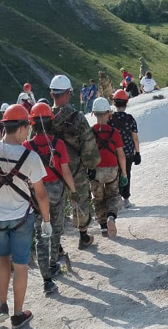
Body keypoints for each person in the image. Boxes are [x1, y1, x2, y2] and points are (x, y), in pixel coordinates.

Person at [0, 104, 50, 329]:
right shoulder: (31, 157)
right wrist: (47, 221)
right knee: (21, 264)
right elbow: (41, 195)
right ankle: (18, 314)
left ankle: (1, 305)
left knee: (2, 256)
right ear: (22, 128)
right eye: (28, 128)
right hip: (22, 218)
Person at [24, 102, 77, 295]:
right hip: (57, 191)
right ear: (51, 122)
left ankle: (46, 277)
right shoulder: (58, 144)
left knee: (41, 234)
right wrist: (74, 192)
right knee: (55, 229)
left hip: (37, 194)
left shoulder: (26, 147)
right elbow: (66, 173)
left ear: (32, 124)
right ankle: (53, 263)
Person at [49, 74, 101, 250]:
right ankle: (83, 235)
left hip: (50, 170)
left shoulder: (43, 118)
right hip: (74, 168)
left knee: (53, 205)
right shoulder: (77, 117)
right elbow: (88, 143)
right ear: (68, 93)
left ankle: (56, 244)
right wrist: (91, 166)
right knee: (79, 199)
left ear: (52, 95)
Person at [90, 97, 127, 237]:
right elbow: (121, 155)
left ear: (93, 113)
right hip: (111, 169)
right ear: (108, 114)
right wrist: (123, 173)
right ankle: (111, 217)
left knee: (98, 199)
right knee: (113, 195)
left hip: (95, 171)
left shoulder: (90, 132)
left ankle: (103, 227)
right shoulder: (114, 133)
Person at [110, 89, 141, 209]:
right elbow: (135, 137)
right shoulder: (130, 119)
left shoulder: (110, 118)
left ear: (114, 103)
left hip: (113, 152)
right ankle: (126, 199)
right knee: (126, 174)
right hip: (128, 152)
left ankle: (116, 199)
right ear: (126, 103)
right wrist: (137, 152)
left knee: (115, 175)